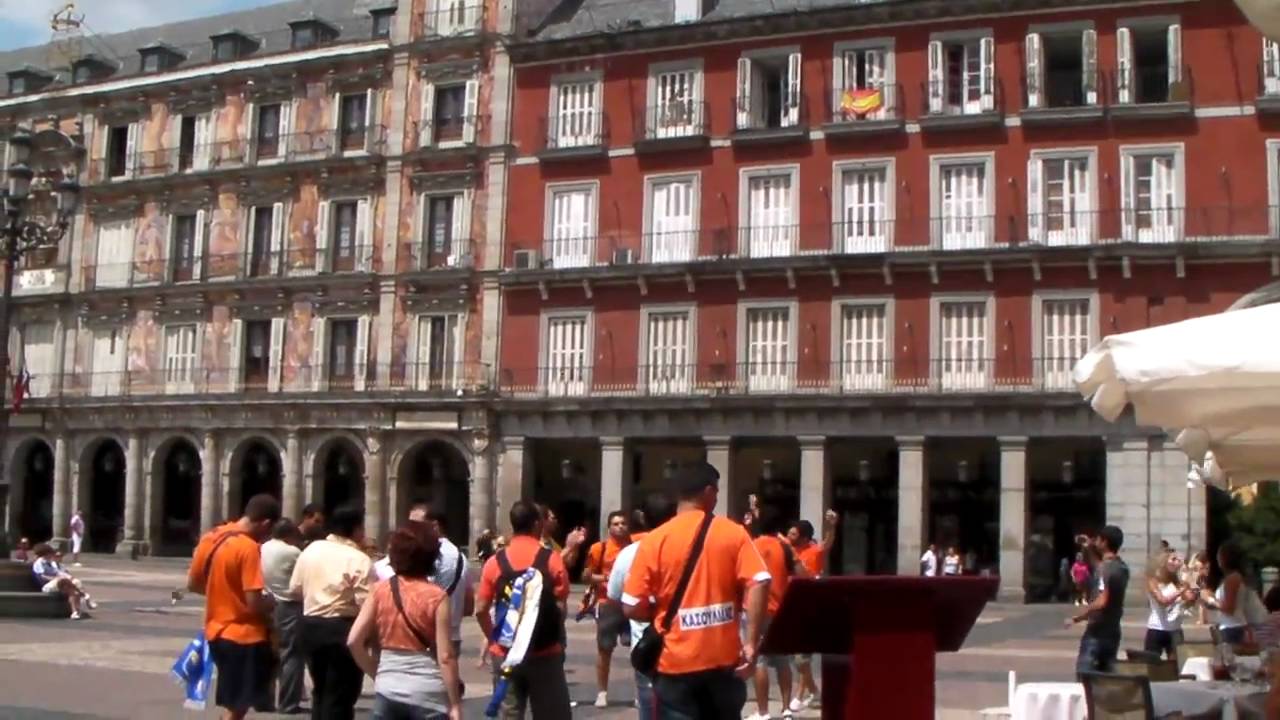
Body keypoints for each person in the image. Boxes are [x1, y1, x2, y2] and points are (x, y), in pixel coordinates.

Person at [622, 461, 770, 719]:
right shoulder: (733, 533)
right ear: (709, 492)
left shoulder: (655, 540)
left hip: (675, 664)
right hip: (724, 663)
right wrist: (751, 643)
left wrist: (659, 611)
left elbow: (631, 605)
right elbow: (760, 579)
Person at [346, 523, 462, 720]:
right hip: (428, 691)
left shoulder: (379, 590)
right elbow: (445, 656)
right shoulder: (437, 597)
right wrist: (455, 704)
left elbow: (353, 641)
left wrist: (378, 673)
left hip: (388, 689)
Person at [474, 500, 573, 719]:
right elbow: (561, 606)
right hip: (545, 651)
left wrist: (493, 638)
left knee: (509, 713)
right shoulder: (552, 559)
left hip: (505, 652)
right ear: (537, 524)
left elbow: (480, 609)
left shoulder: (495, 561)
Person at [187, 494, 282, 719]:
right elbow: (253, 603)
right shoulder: (248, 547)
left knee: (235, 701)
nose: (266, 537)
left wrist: (223, 593)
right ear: (266, 523)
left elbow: (193, 584)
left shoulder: (211, 537)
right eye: (268, 532)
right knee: (240, 702)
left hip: (215, 630)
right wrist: (272, 602)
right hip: (244, 634)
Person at [289, 503, 373, 720]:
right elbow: (367, 603)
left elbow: (295, 589)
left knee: (321, 689)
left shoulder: (311, 550)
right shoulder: (358, 559)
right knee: (341, 695)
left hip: (310, 626)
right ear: (356, 530)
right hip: (341, 627)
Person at [608, 492, 677, 720]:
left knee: (649, 708)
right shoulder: (689, 549)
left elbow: (614, 594)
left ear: (643, 520)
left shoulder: (629, 553)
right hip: (683, 640)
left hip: (645, 642)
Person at [748, 505, 799, 720]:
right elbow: (801, 573)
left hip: (756, 610)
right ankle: (787, 708)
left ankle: (763, 711)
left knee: (759, 661)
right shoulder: (785, 547)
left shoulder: (751, 546)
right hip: (780, 609)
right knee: (782, 660)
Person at [785, 511, 836, 713]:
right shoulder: (786, 550)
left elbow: (828, 542)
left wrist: (832, 526)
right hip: (790, 605)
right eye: (789, 533)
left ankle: (807, 693)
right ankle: (811, 692)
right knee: (797, 656)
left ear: (805, 538)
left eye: (794, 535)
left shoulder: (814, 551)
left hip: (810, 606)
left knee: (801, 657)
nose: (789, 537)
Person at [581, 510, 631, 708]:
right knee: (604, 649)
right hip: (607, 602)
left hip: (630, 602)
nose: (620, 527)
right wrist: (606, 579)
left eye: (623, 523)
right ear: (609, 527)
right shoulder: (598, 548)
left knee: (637, 648)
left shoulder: (635, 547)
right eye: (616, 523)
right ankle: (602, 692)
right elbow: (586, 576)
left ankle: (640, 692)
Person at [1067, 525, 1129, 677]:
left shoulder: (1107, 569)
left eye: (1098, 539)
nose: (1095, 541)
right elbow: (1099, 567)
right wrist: (1088, 548)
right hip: (1113, 630)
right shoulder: (1121, 567)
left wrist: (1079, 617)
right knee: (1106, 678)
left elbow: (1102, 600)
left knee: (1085, 676)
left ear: (1104, 542)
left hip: (1097, 632)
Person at [261, 519, 306, 715]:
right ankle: (288, 703)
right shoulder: (292, 552)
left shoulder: (263, 547)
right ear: (289, 535)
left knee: (269, 653)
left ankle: (263, 699)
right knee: (292, 654)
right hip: (289, 605)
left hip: (268, 603)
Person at [1200, 541, 1262, 645]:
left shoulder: (1232, 579)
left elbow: (1229, 609)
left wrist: (1210, 599)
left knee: (1230, 659)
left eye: (1219, 555)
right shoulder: (1234, 577)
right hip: (1231, 626)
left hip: (1232, 628)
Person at [1145, 553, 1195, 659]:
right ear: (1164, 562)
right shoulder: (1153, 580)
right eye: (1173, 559)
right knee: (1151, 665)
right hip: (1156, 628)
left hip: (1175, 630)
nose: (1177, 562)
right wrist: (1180, 590)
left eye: (1178, 560)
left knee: (1176, 666)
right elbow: (1162, 601)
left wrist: (1189, 581)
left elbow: (1190, 600)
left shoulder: (1178, 582)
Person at [31, 543, 94, 619]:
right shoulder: (39, 563)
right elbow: (41, 576)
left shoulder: (51, 563)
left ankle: (75, 612)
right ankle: (84, 596)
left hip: (60, 583)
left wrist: (70, 577)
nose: (52, 555)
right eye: (50, 553)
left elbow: (58, 572)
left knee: (75, 585)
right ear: (45, 554)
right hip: (47, 586)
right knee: (63, 581)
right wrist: (55, 579)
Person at [539, 504, 586, 569]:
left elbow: (569, 562)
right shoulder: (537, 542)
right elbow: (549, 565)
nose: (556, 521)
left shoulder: (551, 541)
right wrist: (568, 547)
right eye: (553, 518)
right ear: (543, 521)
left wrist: (575, 545)